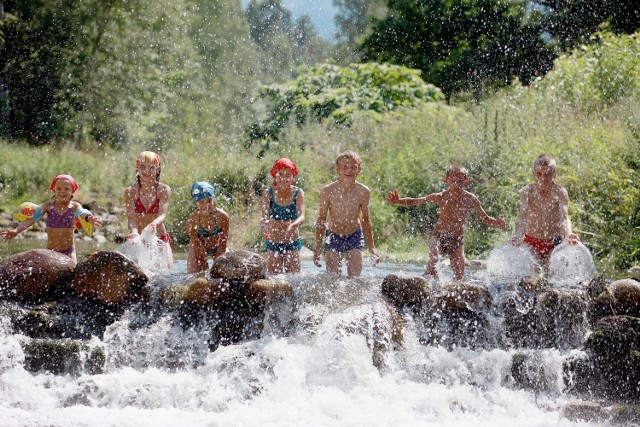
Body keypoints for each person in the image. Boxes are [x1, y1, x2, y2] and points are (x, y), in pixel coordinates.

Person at [387, 164, 507, 280]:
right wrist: (398, 201)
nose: (456, 185)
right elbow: (417, 201)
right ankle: (423, 284)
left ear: (466, 181)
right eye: (452, 181)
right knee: (433, 262)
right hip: (439, 236)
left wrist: (497, 222)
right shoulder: (441, 196)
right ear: (446, 181)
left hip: (457, 240)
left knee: (459, 276)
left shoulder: (470, 199)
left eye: (459, 182)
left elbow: (484, 218)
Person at [0, 174, 103, 262]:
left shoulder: (74, 207)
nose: (62, 191)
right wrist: (16, 231)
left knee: (72, 278)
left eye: (66, 189)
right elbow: (31, 220)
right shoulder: (48, 206)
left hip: (69, 252)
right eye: (58, 188)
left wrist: (90, 218)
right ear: (54, 190)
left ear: (72, 191)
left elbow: (83, 213)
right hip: (50, 252)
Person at [313, 150, 379, 278]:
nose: (349, 170)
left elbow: (366, 220)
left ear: (359, 169)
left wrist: (372, 248)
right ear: (338, 169)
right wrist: (317, 248)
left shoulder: (363, 191)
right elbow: (321, 219)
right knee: (333, 277)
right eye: (345, 167)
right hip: (333, 236)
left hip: (354, 236)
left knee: (354, 278)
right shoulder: (328, 191)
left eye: (354, 167)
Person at [511, 154, 579, 267]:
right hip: (532, 240)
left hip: (553, 241)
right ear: (533, 173)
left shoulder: (560, 192)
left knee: (550, 273)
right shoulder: (527, 192)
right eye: (539, 174)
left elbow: (564, 217)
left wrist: (569, 233)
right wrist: (518, 235)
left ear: (554, 174)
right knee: (533, 275)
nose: (543, 178)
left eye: (547, 174)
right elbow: (522, 217)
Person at [124, 151, 173, 268]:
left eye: (151, 167)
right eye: (142, 167)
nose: (147, 171)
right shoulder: (130, 191)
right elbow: (131, 218)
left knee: (168, 274)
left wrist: (153, 224)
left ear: (158, 169)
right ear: (137, 169)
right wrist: (134, 232)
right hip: (138, 239)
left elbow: (162, 215)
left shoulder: (164, 190)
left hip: (159, 238)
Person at [261, 158, 306, 274]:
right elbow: (264, 216)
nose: (283, 178)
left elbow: (302, 216)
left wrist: (293, 225)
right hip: (273, 244)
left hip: (293, 243)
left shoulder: (298, 192)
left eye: (287, 175)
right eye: (280, 174)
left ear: (293, 177)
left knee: (294, 281)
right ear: (274, 176)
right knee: (274, 281)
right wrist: (265, 224)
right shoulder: (268, 192)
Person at [186, 181, 229, 274]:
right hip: (198, 247)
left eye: (209, 201)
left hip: (217, 246)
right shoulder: (192, 220)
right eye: (201, 202)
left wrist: (218, 264)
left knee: (225, 270)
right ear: (196, 203)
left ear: (214, 200)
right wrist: (204, 267)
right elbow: (197, 246)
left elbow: (223, 243)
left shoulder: (222, 217)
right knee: (194, 275)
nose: (206, 205)